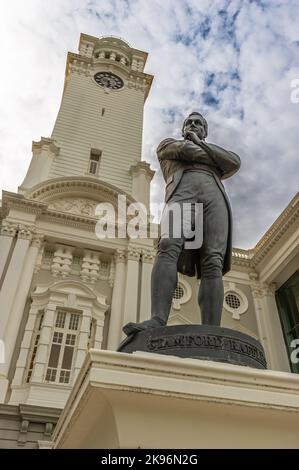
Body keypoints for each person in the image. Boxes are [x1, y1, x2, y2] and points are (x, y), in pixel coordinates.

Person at [123, 112, 241, 336]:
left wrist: (201, 146)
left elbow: (234, 162)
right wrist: (211, 154)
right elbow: (188, 151)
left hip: (214, 197)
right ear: (183, 128)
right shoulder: (168, 144)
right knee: (168, 245)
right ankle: (158, 319)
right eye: (190, 122)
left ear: (205, 131)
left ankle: (211, 331)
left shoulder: (203, 147)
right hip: (182, 193)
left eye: (199, 123)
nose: (194, 125)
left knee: (213, 262)